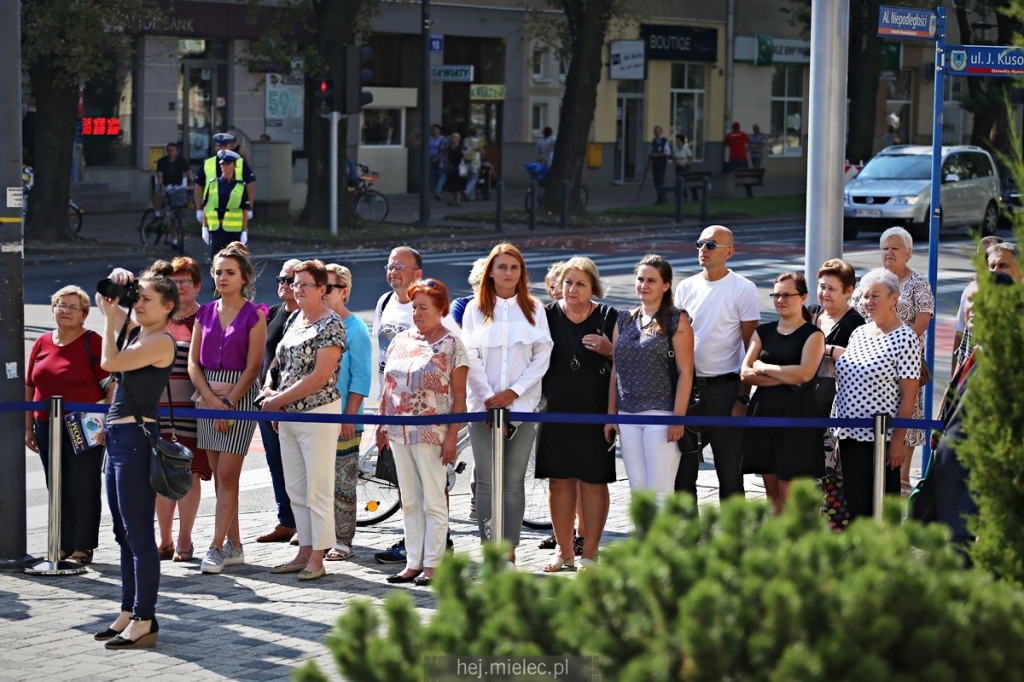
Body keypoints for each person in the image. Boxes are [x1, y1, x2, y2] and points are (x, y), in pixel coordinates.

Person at [92, 262, 178, 649]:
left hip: (135, 440)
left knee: (140, 535)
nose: (138, 304)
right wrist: (116, 290)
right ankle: (128, 611)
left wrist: (111, 321)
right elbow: (107, 304)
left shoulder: (159, 341)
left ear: (167, 308)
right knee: (122, 533)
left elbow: (108, 362)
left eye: (146, 300)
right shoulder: (140, 334)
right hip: (118, 437)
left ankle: (145, 617)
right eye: (138, 298)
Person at [462, 243, 553, 567]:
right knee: (486, 482)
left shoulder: (534, 308)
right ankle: (490, 557)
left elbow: (542, 356)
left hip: (523, 406)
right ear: (490, 271)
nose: (508, 273)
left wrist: (513, 392)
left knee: (513, 482)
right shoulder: (475, 309)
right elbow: (469, 357)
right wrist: (490, 397)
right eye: (502, 267)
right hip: (482, 406)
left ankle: (510, 556)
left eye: (514, 268)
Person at [378, 278, 468, 586]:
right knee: (410, 498)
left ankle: (434, 563)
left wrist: (453, 435)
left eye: (423, 308)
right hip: (398, 429)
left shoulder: (452, 344)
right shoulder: (401, 339)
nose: (417, 313)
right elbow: (387, 384)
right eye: (414, 307)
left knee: (433, 499)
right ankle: (413, 561)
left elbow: (460, 396)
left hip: (432, 432)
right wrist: (382, 423)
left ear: (441, 309)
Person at [261, 260, 346, 581]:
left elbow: (320, 375)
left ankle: (318, 557)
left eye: (304, 285)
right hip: (288, 414)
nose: (297, 290)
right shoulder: (295, 317)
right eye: (294, 284)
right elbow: (278, 362)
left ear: (322, 290)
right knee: (296, 486)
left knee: (317, 487)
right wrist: (270, 390)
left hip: (317, 412)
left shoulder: (331, 325)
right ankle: (303, 550)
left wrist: (277, 402)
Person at [189, 242, 267, 574]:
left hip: (238, 397)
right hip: (206, 396)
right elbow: (194, 364)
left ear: (244, 278)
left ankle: (215, 547)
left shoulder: (255, 315)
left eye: (230, 273)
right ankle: (235, 545)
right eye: (218, 272)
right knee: (219, 480)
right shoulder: (203, 312)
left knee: (227, 476)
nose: (222, 277)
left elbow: (252, 369)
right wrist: (209, 399)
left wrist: (227, 404)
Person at [538, 257, 617, 571]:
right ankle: (564, 551)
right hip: (554, 411)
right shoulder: (545, 315)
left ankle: (590, 554)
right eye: (568, 282)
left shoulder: (609, 315)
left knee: (593, 482)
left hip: (594, 412)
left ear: (593, 288)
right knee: (559, 483)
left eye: (580, 283)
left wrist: (609, 350)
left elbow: (619, 369)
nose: (572, 289)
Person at [25, 286, 112, 565]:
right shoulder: (41, 343)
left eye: (73, 307)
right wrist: (28, 427)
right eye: (60, 305)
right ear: (52, 310)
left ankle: (82, 547)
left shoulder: (93, 342)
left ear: (85, 315)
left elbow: (112, 385)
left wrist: (107, 422)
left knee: (82, 485)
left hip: (84, 425)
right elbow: (29, 386)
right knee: (56, 486)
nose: (65, 311)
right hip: (45, 424)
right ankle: (60, 545)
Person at [674, 225, 759, 499]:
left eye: (711, 245)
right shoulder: (686, 286)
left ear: (729, 252)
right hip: (689, 386)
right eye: (699, 243)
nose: (703, 249)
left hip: (726, 387)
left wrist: (743, 398)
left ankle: (734, 541)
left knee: (730, 471)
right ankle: (688, 538)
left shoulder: (743, 288)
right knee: (684, 471)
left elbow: (751, 348)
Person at [605, 255, 694, 506]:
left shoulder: (678, 319)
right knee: (638, 492)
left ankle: (662, 546)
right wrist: (611, 414)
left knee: (661, 492)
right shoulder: (624, 320)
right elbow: (616, 370)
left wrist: (678, 418)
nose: (644, 285)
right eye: (640, 279)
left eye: (652, 280)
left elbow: (686, 371)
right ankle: (644, 544)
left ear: (666, 285)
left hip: (662, 414)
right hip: (627, 414)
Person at [833, 268, 920, 520]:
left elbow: (908, 396)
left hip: (881, 440)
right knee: (855, 506)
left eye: (875, 296)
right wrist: (840, 432)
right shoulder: (859, 333)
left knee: (881, 509)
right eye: (864, 296)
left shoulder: (905, 338)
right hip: (849, 434)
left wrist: (897, 443)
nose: (867, 302)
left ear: (894, 299)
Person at [856, 226, 933, 495]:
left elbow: (923, 320)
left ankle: (901, 477)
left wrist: (893, 344)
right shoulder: (871, 280)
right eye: (885, 247)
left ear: (908, 253)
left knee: (906, 409)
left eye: (895, 247)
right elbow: (856, 311)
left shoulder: (918, 283)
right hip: (868, 361)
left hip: (905, 362)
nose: (889, 252)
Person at [740, 272, 825, 515]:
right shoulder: (763, 331)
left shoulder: (813, 334)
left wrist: (765, 368)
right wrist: (787, 377)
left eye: (787, 295)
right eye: (776, 295)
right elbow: (746, 373)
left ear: (803, 297)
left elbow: (804, 374)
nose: (780, 300)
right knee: (771, 493)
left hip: (797, 418)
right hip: (764, 415)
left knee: (789, 492)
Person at [155, 257, 212, 563]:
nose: (179, 288)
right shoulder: (158, 317)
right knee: (162, 474)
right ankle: (163, 540)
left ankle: (185, 539)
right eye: (173, 283)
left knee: (188, 474)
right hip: (160, 410)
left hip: (192, 409)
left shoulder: (207, 317)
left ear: (197, 284)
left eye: (185, 282)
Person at [324, 263, 372, 562]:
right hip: (318, 416)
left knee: (343, 484)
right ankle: (321, 535)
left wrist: (349, 417)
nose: (323, 293)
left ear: (345, 292)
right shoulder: (316, 322)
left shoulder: (355, 328)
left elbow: (362, 377)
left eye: (328, 288)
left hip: (344, 418)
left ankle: (343, 540)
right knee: (319, 481)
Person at [255, 259, 302, 544]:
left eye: (290, 281)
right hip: (266, 400)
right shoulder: (272, 313)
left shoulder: (308, 319)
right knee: (276, 463)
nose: (283, 285)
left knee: (297, 464)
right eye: (280, 280)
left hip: (292, 403)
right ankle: (286, 521)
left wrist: (281, 398)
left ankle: (304, 523)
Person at [951, 236, 1001, 374]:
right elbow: (961, 338)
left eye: (987, 255)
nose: (983, 261)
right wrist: (953, 385)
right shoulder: (970, 290)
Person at [194, 131, 256, 223]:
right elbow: (199, 186)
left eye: (224, 146)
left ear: (230, 147)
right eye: (219, 146)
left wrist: (249, 206)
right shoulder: (207, 164)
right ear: (215, 148)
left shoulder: (240, 163)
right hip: (213, 214)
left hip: (235, 213)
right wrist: (199, 208)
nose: (221, 149)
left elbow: (250, 184)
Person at [201, 150, 251, 259]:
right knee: (216, 259)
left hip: (234, 230)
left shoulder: (240, 186)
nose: (225, 166)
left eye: (228, 164)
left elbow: (244, 210)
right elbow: (206, 206)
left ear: (234, 166)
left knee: (235, 259)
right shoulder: (212, 184)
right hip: (217, 229)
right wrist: (204, 227)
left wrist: (244, 231)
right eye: (222, 164)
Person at [154, 142, 194, 221]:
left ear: (177, 152)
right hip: (165, 184)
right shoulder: (162, 161)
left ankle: (176, 230)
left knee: (178, 207)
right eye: (169, 150)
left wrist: (192, 182)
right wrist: (161, 184)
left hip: (177, 185)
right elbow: (159, 174)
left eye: (173, 150)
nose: (171, 152)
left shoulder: (181, 160)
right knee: (158, 192)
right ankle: (157, 214)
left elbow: (188, 171)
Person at [443, 132, 468, 206]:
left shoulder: (462, 147)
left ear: (458, 139)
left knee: (459, 184)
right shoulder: (449, 147)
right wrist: (448, 164)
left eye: (455, 138)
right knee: (450, 184)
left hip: (459, 167)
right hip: (452, 166)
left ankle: (457, 200)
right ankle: (451, 199)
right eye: (452, 138)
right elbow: (446, 156)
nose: (453, 140)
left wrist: (463, 161)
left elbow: (465, 156)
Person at [649, 126, 670, 204]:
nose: (656, 133)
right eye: (655, 131)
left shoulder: (664, 141)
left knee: (660, 181)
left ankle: (662, 199)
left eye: (657, 131)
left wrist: (657, 155)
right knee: (656, 181)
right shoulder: (654, 141)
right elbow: (651, 150)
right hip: (655, 163)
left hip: (661, 163)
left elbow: (667, 152)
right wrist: (651, 156)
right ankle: (659, 198)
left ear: (661, 132)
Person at [464, 127, 485, 201]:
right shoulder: (478, 141)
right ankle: (467, 190)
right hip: (475, 161)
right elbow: (482, 152)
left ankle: (471, 196)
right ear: (476, 133)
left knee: (469, 178)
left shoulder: (466, 140)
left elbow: (464, 149)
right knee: (474, 178)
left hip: (467, 160)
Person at [429, 124, 445, 201]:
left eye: (436, 129)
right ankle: (435, 189)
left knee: (440, 174)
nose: (434, 131)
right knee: (433, 174)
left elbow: (443, 150)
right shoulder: (429, 138)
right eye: (433, 129)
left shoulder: (442, 139)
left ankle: (438, 191)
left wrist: (437, 157)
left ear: (439, 130)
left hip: (439, 159)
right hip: (430, 158)